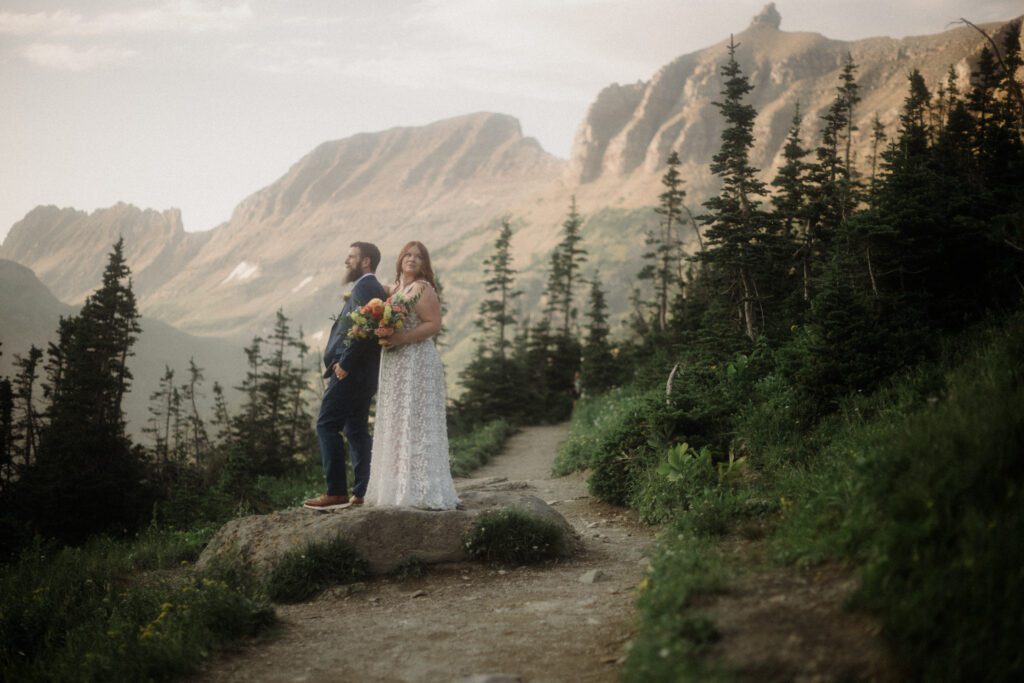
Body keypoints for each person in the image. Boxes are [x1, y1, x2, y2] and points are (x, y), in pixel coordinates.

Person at [365, 241, 460, 510]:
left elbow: (433, 324)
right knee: (396, 421)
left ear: (425, 264)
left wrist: (402, 337)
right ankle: (396, 488)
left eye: (418, 257)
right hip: (396, 362)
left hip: (417, 360)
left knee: (416, 421)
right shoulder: (396, 289)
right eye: (408, 254)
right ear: (400, 259)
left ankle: (422, 490)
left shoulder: (422, 289)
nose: (412, 259)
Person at [304, 242, 387, 510]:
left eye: (351, 256)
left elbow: (365, 328)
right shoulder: (370, 287)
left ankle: (336, 492)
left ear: (366, 262)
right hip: (364, 374)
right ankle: (362, 490)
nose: (346, 261)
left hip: (351, 372)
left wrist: (345, 363)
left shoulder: (365, 287)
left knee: (327, 425)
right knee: (356, 429)